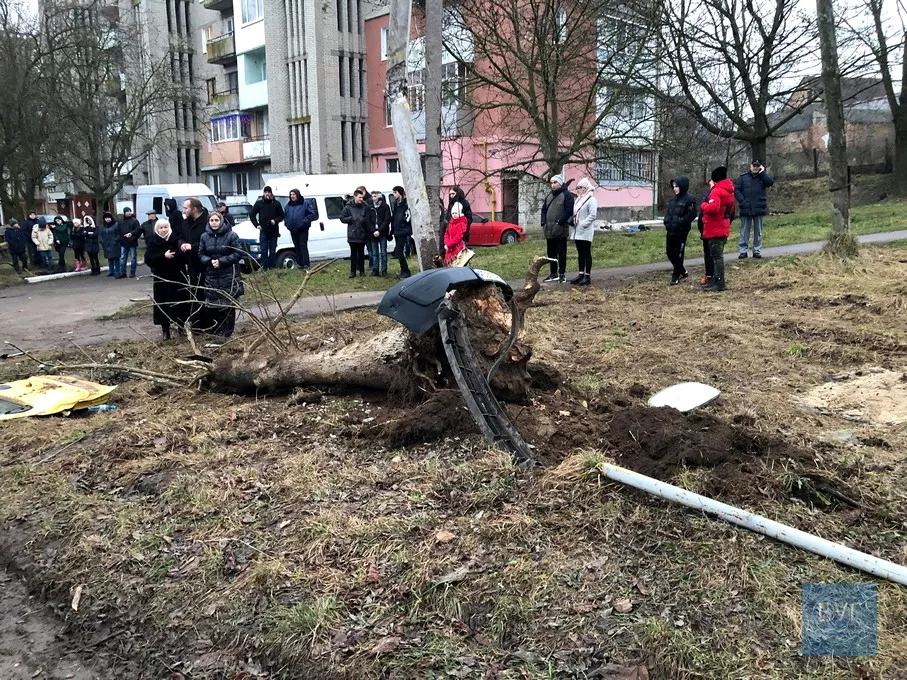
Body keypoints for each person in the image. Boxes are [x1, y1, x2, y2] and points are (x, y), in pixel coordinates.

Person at [198, 211, 244, 337]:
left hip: (228, 274)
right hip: (212, 275)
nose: (214, 223)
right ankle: (219, 329)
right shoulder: (204, 236)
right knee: (215, 304)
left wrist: (222, 261)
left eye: (216, 220)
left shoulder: (231, 235)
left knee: (228, 304)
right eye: (211, 220)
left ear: (221, 221)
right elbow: (200, 254)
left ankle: (228, 331)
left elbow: (238, 253)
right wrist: (209, 261)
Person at [145, 219, 188, 341]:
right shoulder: (153, 242)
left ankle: (181, 327)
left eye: (165, 227)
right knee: (163, 304)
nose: (163, 230)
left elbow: (184, 256)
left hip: (177, 276)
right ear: (157, 229)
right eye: (161, 228)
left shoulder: (175, 239)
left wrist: (175, 256)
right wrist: (163, 256)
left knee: (180, 302)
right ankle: (165, 330)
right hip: (161, 278)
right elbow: (149, 259)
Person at [700, 166, 735, 292]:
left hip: (715, 228)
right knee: (717, 256)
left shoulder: (717, 191)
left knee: (717, 257)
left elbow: (713, 208)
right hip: (723, 227)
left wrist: (704, 205)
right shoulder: (729, 191)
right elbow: (731, 210)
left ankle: (719, 282)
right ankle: (716, 280)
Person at [735, 159, 774, 259]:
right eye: (754, 166)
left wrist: (762, 173)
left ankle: (757, 250)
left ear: (760, 167)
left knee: (758, 231)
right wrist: (742, 201)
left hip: (759, 207)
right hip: (746, 207)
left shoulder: (762, 177)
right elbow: (736, 190)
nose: (755, 168)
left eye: (757, 166)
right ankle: (743, 251)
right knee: (744, 231)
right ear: (750, 166)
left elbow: (769, 183)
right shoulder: (743, 177)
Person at [180, 198, 210, 328]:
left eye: (186, 208)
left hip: (205, 265)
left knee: (206, 294)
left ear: (194, 209)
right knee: (194, 294)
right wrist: (182, 244)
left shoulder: (207, 221)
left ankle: (208, 324)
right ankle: (197, 323)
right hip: (191, 264)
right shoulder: (185, 222)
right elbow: (180, 236)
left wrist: (193, 246)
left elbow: (209, 242)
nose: (184, 210)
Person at [662, 176, 697, 285]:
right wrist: (667, 222)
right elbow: (668, 214)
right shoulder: (673, 200)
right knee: (669, 252)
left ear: (682, 186)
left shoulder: (689, 199)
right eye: (673, 187)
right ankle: (682, 270)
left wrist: (679, 222)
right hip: (671, 230)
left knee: (678, 253)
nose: (675, 189)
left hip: (682, 231)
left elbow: (691, 215)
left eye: (676, 186)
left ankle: (676, 275)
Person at [541, 174, 574, 283]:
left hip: (560, 230)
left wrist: (560, 222)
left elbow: (569, 210)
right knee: (551, 253)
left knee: (561, 253)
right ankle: (553, 273)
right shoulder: (549, 196)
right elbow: (544, 210)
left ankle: (562, 273)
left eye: (555, 182)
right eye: (551, 183)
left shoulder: (567, 195)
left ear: (560, 183)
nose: (553, 185)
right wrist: (543, 222)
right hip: (549, 230)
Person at [340, 189, 374, 278]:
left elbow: (368, 219)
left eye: (362, 197)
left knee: (361, 254)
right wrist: (350, 219)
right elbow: (342, 218)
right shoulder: (348, 207)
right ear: (355, 197)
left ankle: (362, 271)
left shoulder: (365, 207)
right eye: (359, 197)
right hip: (352, 234)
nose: (361, 199)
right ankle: (353, 272)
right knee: (353, 254)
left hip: (362, 234)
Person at [569, 178, 597, 285]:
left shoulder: (591, 199)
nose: (578, 189)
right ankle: (581, 274)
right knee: (580, 253)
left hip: (586, 230)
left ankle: (587, 275)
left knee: (586, 252)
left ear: (586, 188)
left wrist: (584, 223)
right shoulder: (578, 200)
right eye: (577, 187)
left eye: (580, 187)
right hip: (577, 230)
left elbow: (593, 215)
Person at [249, 185, 285, 270]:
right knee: (264, 250)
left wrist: (275, 220)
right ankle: (264, 266)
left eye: (269, 192)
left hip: (274, 230)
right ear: (263, 193)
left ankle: (272, 266)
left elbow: (282, 215)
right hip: (263, 230)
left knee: (272, 249)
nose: (267, 194)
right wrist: (257, 225)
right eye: (265, 192)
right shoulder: (259, 203)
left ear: (271, 193)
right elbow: (252, 215)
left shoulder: (276, 203)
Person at [284, 189, 316, 269]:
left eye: (294, 194)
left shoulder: (305, 203)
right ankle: (300, 264)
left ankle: (306, 264)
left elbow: (311, 214)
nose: (292, 196)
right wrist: (287, 224)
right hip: (293, 229)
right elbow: (285, 216)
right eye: (291, 194)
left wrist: (303, 223)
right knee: (297, 246)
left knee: (303, 246)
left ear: (297, 195)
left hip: (303, 229)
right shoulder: (288, 205)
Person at [441, 186, 473, 254]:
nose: (451, 196)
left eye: (453, 194)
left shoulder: (464, 203)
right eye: (450, 194)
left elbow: (469, 217)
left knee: (460, 252)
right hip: (451, 229)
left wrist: (463, 226)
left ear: (458, 193)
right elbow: (449, 215)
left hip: (461, 229)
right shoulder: (451, 203)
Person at [390, 186, 412, 279]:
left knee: (399, 251)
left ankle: (406, 271)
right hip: (397, 231)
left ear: (400, 193)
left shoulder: (405, 203)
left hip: (403, 231)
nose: (394, 194)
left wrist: (403, 223)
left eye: (395, 192)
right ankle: (403, 270)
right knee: (398, 252)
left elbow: (407, 217)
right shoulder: (396, 204)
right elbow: (394, 217)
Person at [370, 190, 391, 276]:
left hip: (383, 232)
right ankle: (375, 269)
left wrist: (379, 230)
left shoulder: (385, 206)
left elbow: (387, 219)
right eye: (372, 196)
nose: (373, 198)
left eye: (375, 196)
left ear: (379, 197)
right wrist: (373, 230)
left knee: (383, 252)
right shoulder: (370, 207)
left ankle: (384, 270)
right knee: (374, 253)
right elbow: (367, 220)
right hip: (373, 233)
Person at [696, 186, 715, 287]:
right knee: (707, 254)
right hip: (705, 229)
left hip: (715, 229)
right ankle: (709, 275)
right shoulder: (707, 194)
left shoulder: (719, 193)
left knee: (714, 254)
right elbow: (701, 213)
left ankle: (715, 277)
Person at [117, 206, 141, 278]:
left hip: (132, 242)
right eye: (127, 211)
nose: (129, 212)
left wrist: (133, 237)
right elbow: (118, 231)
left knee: (133, 258)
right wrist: (119, 238)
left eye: (130, 211)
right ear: (124, 213)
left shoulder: (135, 221)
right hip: (123, 242)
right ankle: (123, 272)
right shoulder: (121, 221)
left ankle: (132, 272)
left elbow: (138, 230)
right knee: (122, 258)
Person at [444, 198, 469, 265]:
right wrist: (447, 243)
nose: (454, 215)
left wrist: (449, 245)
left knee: (457, 264)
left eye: (456, 213)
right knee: (449, 264)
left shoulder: (462, 223)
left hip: (457, 247)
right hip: (449, 248)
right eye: (453, 213)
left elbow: (459, 236)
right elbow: (447, 233)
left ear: (459, 213)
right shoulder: (451, 222)